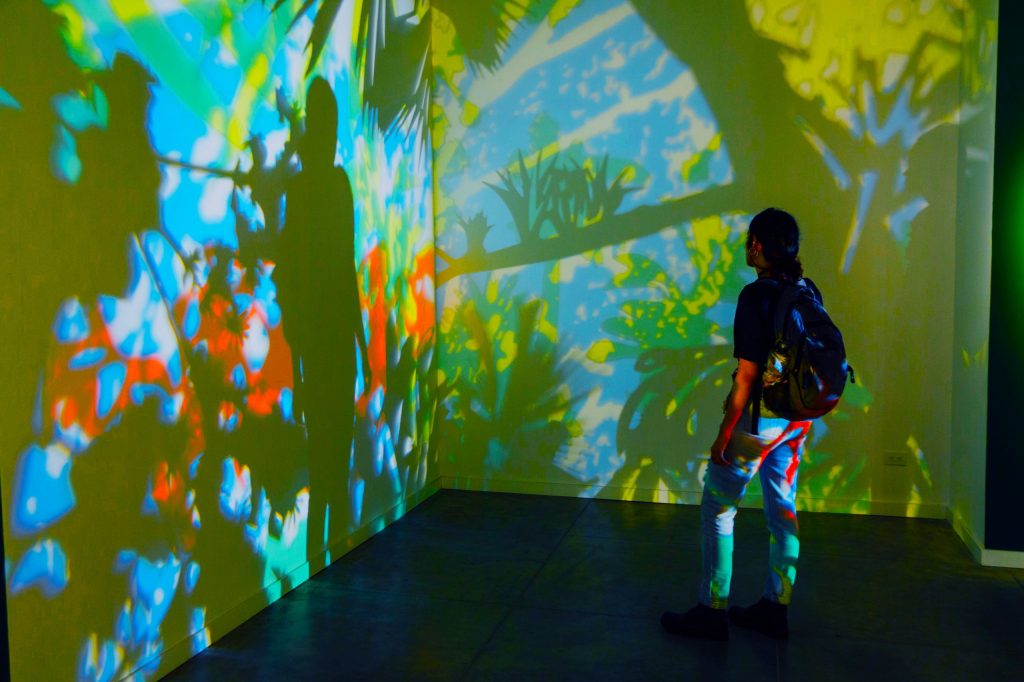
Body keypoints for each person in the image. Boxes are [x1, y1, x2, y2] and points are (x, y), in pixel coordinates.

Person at [662, 208, 814, 641]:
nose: (748, 247)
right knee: (783, 510)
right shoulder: (807, 290)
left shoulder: (755, 296)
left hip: (759, 422)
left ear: (759, 247)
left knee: (718, 507)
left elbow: (747, 377)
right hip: (797, 420)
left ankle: (712, 612)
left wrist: (723, 435)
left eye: (751, 240)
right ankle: (776, 607)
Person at [276, 77, 369, 570]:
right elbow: (295, 278)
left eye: (331, 127)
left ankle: (329, 557)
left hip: (328, 342)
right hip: (320, 342)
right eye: (324, 126)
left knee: (334, 457)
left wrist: (362, 346)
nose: (329, 136)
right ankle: (322, 560)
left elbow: (343, 266)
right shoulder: (314, 188)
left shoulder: (331, 185)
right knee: (324, 460)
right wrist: (299, 365)